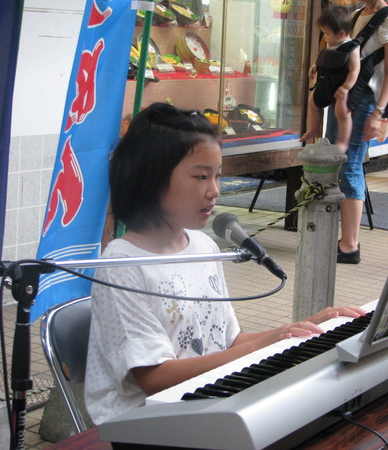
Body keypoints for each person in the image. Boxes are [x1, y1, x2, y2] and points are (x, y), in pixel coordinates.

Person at [84, 103, 365, 425]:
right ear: (152, 178)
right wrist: (270, 340)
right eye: (201, 176)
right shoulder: (123, 264)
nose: (214, 191)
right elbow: (156, 377)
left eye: (218, 176)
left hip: (207, 403)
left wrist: (304, 329)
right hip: (146, 423)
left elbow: (228, 341)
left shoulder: (202, 246)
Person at [327, 1, 388, 264]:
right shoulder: (359, 14)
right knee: (338, 160)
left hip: (367, 100)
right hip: (348, 98)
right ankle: (344, 239)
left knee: (350, 164)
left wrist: (378, 113)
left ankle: (349, 245)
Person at [300, 5, 361, 153]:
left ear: (341, 33)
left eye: (327, 34)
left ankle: (343, 141)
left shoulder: (351, 47)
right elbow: (324, 59)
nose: (325, 37)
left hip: (339, 88)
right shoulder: (330, 44)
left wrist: (346, 88)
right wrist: (315, 66)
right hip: (324, 84)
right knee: (313, 103)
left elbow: (354, 70)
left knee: (343, 112)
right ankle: (314, 129)